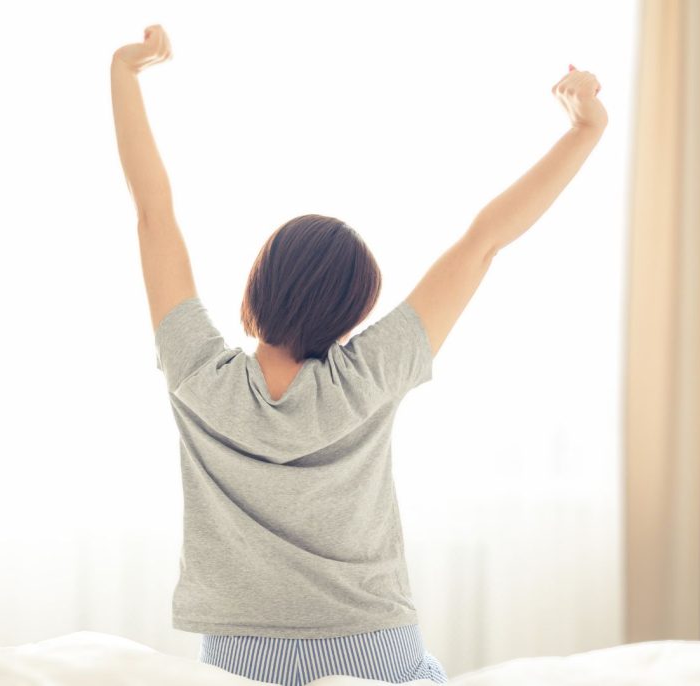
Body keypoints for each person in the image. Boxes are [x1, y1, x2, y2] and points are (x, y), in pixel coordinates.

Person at [110, 24, 606, 686]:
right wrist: (583, 132)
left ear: (260, 281)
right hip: (372, 645)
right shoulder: (372, 372)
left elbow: (153, 214)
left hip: (238, 656)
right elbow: (484, 241)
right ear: (351, 312)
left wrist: (123, 72)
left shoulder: (197, 371)